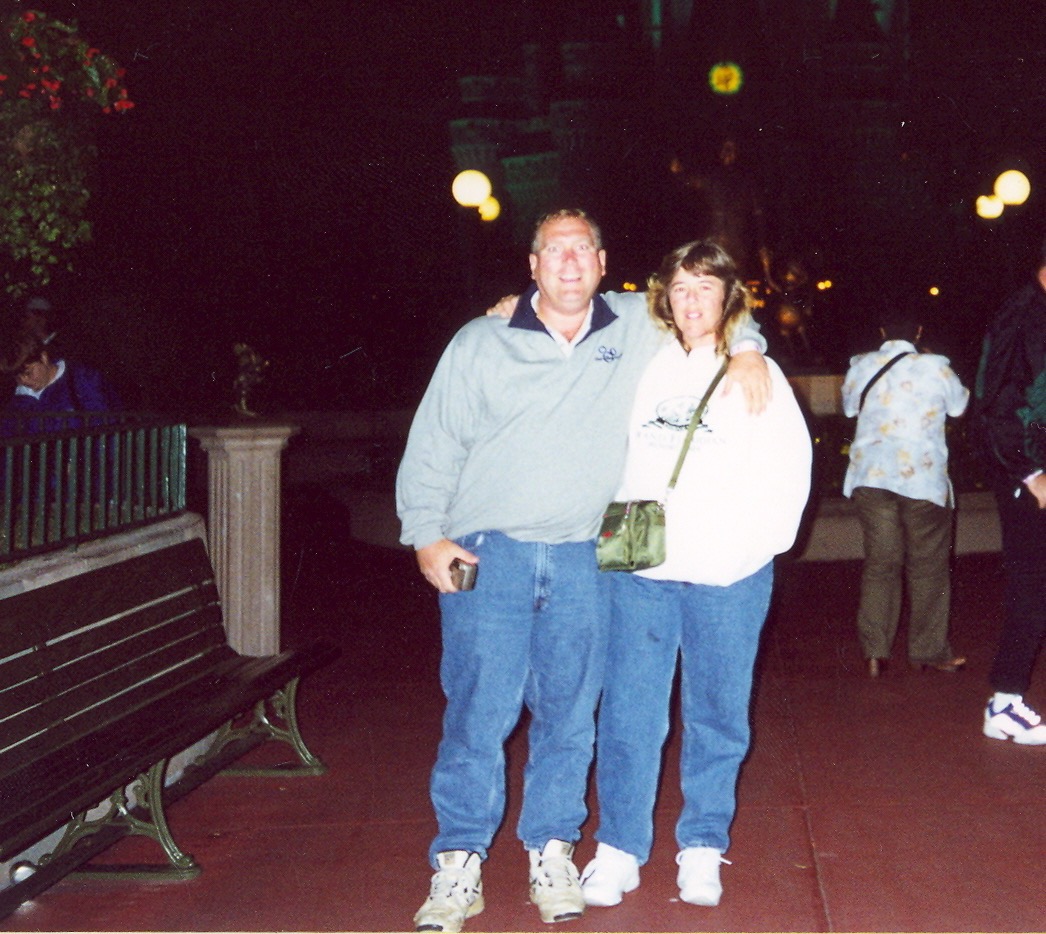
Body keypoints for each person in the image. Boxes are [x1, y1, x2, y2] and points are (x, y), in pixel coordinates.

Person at [395, 209, 770, 933]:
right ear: (532, 265)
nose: (569, 263)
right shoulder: (480, 340)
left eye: (582, 251)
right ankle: (458, 861)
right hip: (488, 553)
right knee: (477, 712)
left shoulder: (633, 324)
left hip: (584, 559)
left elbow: (710, 306)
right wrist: (425, 535)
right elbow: (435, 441)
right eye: (554, 251)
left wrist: (749, 348)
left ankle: (553, 850)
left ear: (602, 264)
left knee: (570, 716)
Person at [577, 240, 810, 910]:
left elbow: (790, 470)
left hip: (727, 576)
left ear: (729, 297)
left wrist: (750, 551)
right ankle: (619, 847)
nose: (691, 300)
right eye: (680, 287)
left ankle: (703, 845)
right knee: (629, 712)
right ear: (664, 296)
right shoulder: (641, 361)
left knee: (717, 716)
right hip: (640, 568)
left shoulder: (753, 370)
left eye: (706, 287)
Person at [840, 315, 969, 678]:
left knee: (881, 563)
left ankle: (874, 651)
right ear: (919, 332)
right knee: (928, 567)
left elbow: (849, 408)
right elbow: (959, 407)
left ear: (882, 332)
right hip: (922, 479)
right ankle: (928, 650)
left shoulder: (861, 366)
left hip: (872, 476)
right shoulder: (937, 368)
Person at [973, 238, 1046, 745]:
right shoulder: (1023, 316)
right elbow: (996, 403)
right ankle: (1004, 702)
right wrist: (1030, 473)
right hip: (1028, 471)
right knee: (1033, 584)